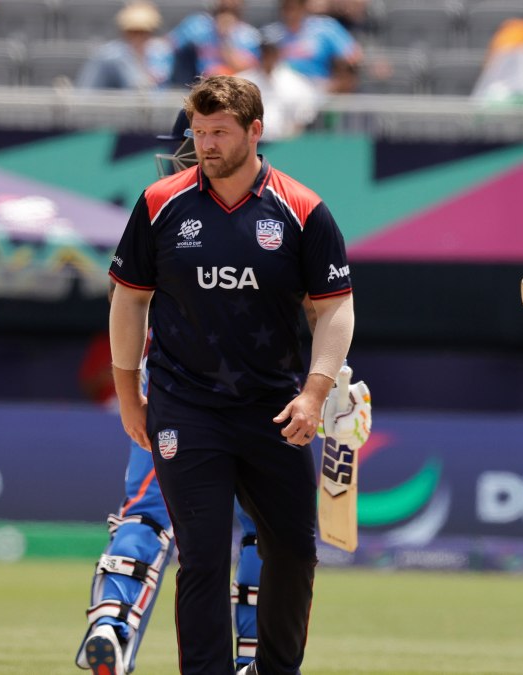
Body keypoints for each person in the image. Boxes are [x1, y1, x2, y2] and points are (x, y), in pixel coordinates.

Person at [80, 108, 372, 675]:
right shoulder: (164, 206)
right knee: (231, 540)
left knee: (156, 517)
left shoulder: (291, 208)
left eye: (215, 135)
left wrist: (328, 386)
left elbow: (327, 308)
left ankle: (112, 620)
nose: (203, 148)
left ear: (249, 135)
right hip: (181, 399)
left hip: (260, 398)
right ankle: (244, 657)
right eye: (199, 137)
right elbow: (130, 299)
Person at [237, 25, 323, 140]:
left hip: (283, 145)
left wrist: (289, 143)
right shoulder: (243, 81)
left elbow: (304, 118)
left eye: (271, 52)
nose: (268, 56)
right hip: (252, 144)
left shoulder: (297, 82)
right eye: (265, 52)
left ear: (278, 52)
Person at [264, 0, 362, 94]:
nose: (290, 12)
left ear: (304, 6)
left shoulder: (325, 28)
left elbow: (353, 56)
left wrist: (337, 80)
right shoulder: (272, 33)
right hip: (280, 86)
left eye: (294, 7)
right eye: (286, 7)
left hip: (317, 87)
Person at [76, 1, 173, 91]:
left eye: (143, 32)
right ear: (124, 32)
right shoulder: (108, 56)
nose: (138, 37)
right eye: (132, 32)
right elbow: (86, 91)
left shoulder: (161, 52)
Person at [167, 0, 261, 87]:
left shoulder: (249, 35)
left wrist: (224, 39)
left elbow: (249, 69)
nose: (228, 3)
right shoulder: (197, 25)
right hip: (197, 85)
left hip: (235, 88)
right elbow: (169, 45)